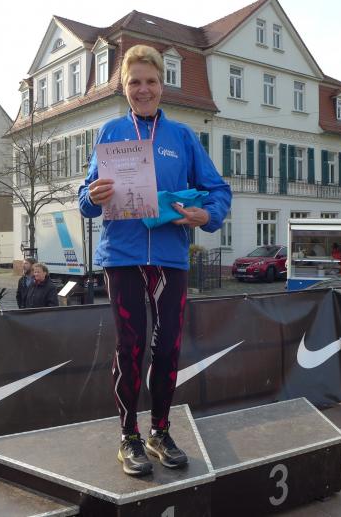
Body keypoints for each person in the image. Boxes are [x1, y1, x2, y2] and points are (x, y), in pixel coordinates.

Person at [79, 44, 231, 477]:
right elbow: (86, 198)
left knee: (167, 348)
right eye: (134, 82)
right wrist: (92, 196)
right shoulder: (110, 132)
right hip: (122, 256)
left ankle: (159, 432)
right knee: (129, 347)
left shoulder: (182, 137)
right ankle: (129, 436)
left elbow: (218, 191)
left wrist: (206, 215)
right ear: (124, 87)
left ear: (162, 86)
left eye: (150, 81)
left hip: (169, 256)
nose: (143, 89)